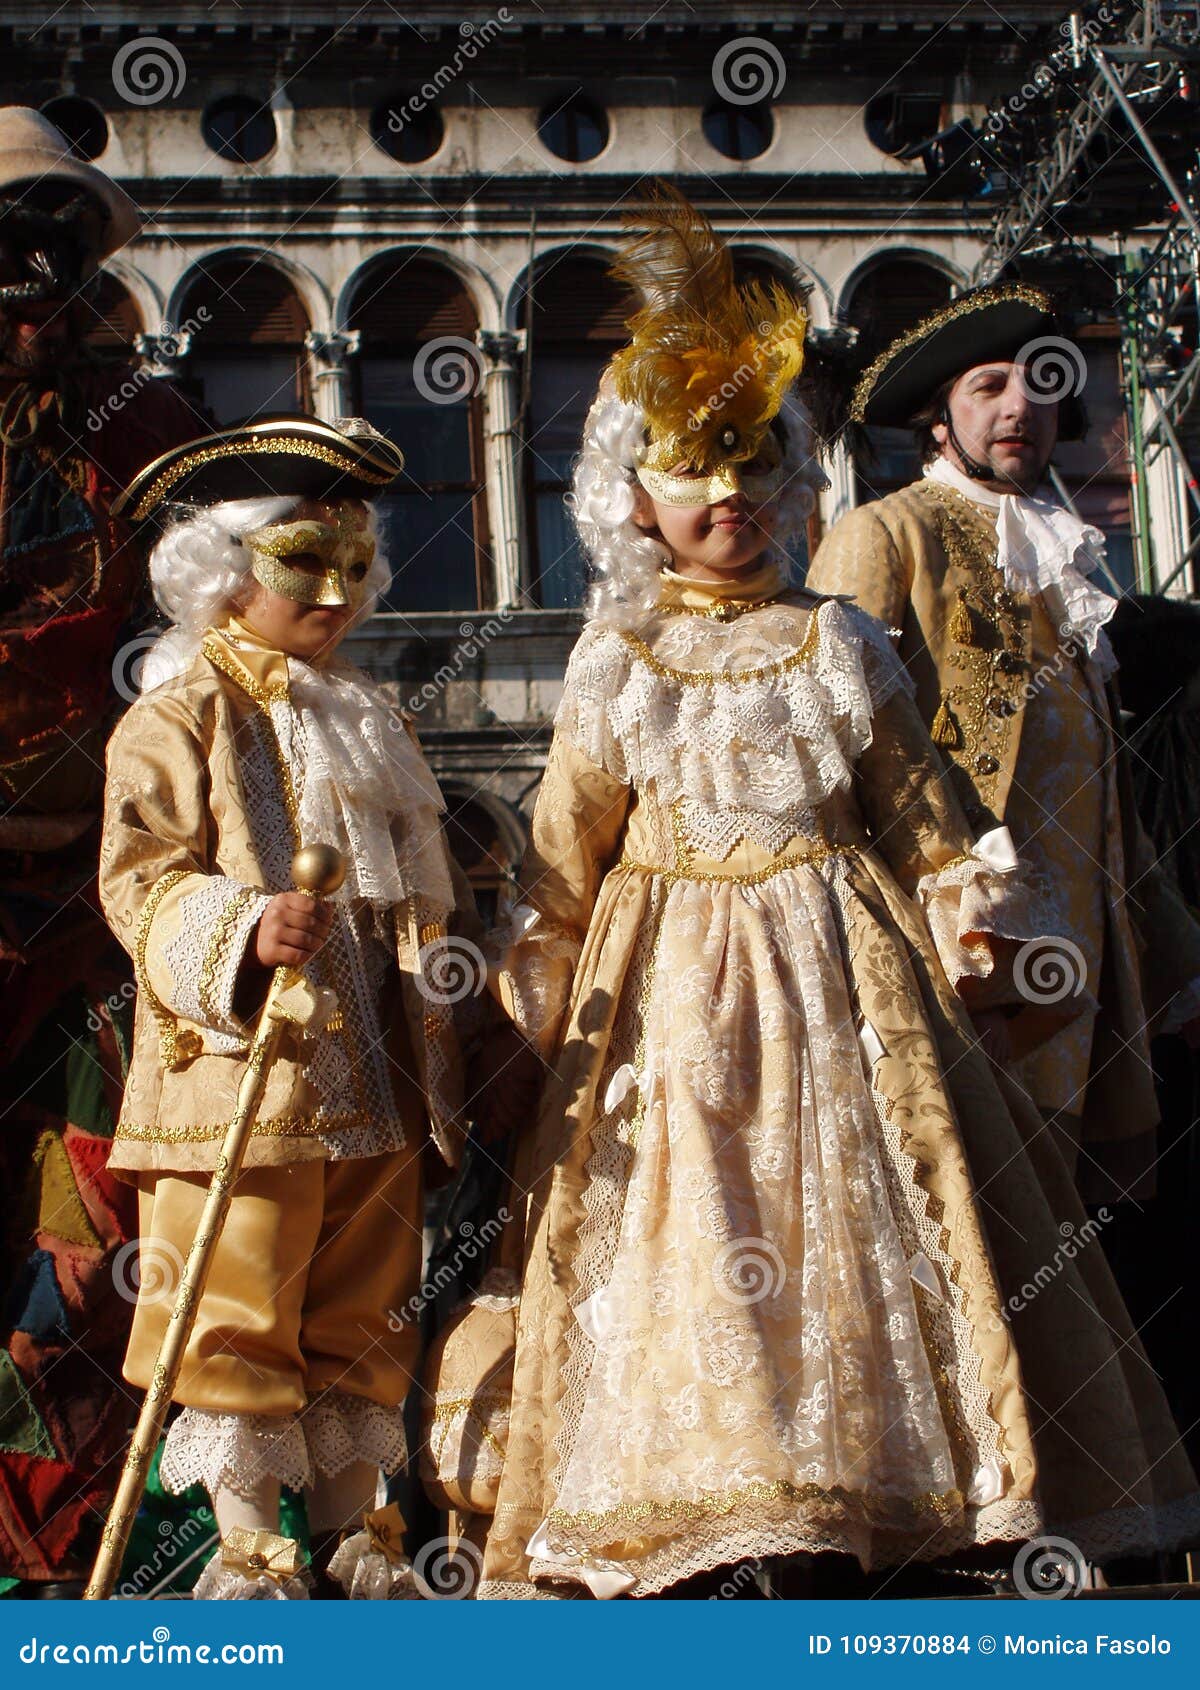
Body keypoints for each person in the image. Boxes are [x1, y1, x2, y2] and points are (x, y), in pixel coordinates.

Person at [472, 192, 1200, 1600]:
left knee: (870, 1221)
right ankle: (726, 1505)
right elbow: (565, 852)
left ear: (791, 470)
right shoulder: (615, 658)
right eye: (693, 465)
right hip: (671, 998)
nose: (727, 492)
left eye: (750, 457)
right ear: (635, 496)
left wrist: (968, 906)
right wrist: (531, 995)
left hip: (847, 976)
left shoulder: (839, 638)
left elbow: (924, 807)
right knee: (694, 1233)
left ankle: (878, 1495)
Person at [99, 416, 476, 1599]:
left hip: (378, 1074)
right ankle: (253, 1551)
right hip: (240, 1073)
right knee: (236, 1305)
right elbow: (138, 873)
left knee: (366, 1311)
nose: (336, 588)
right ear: (227, 569)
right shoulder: (178, 712)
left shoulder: (371, 714)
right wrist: (240, 930)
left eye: (357, 562)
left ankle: (365, 1541)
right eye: (304, 558)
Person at [806, 284, 1200, 1207]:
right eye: (988, 386)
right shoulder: (884, 531)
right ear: (940, 419)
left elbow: (1114, 806)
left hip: (1091, 971)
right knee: (972, 1229)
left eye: (1037, 386)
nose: (1019, 405)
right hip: (973, 962)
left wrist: (1181, 961)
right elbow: (833, 757)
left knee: (1080, 1244)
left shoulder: (1066, 562)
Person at [0, 105, 200, 1592]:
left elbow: (215, 647)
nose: (33, 287)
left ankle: (63, 1564)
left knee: (87, 1234)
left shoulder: (141, 430)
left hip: (90, 919)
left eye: (57, 253)